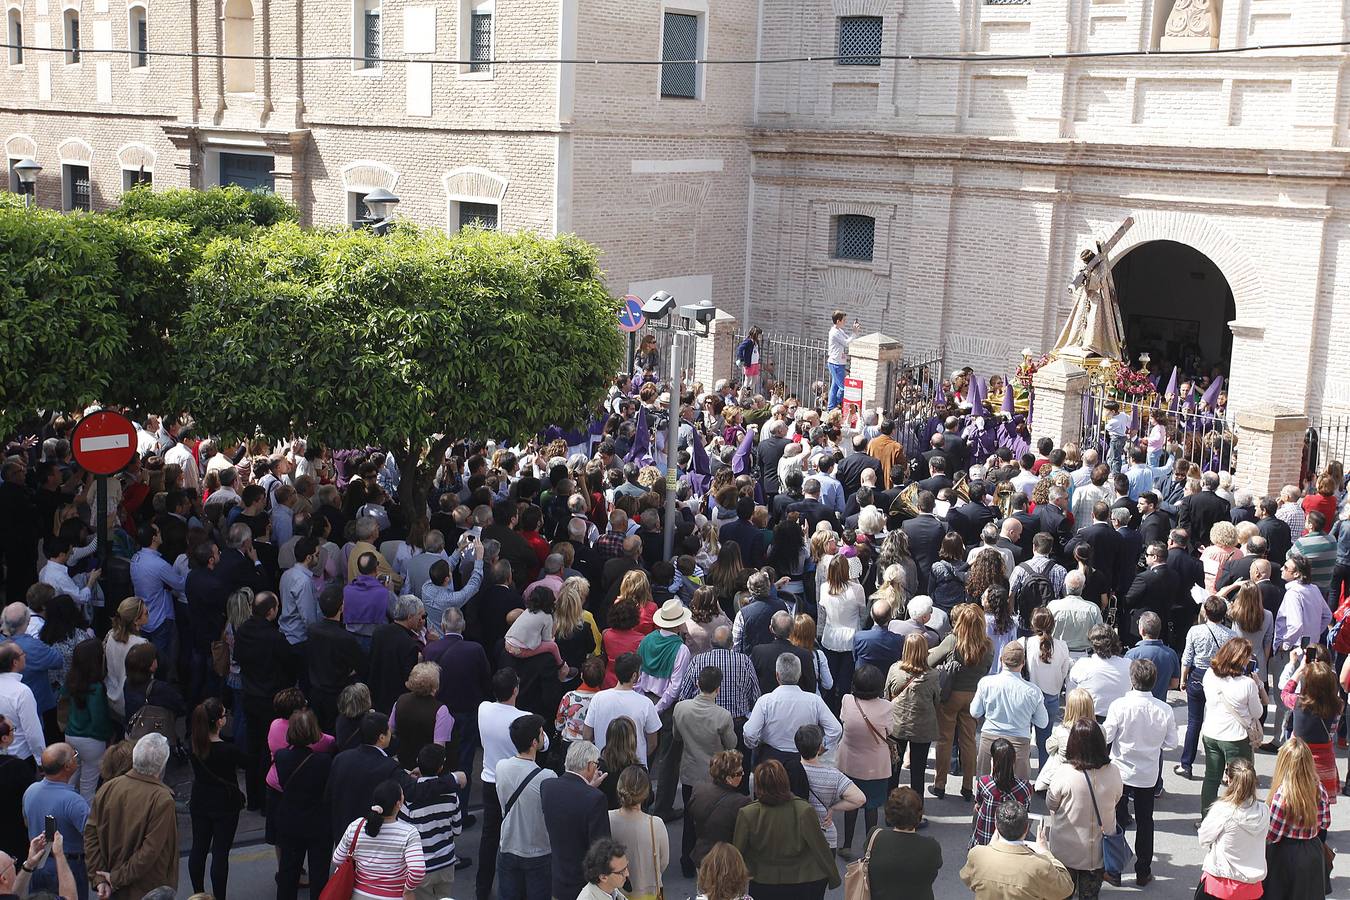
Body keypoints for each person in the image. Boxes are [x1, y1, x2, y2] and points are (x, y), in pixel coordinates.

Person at [1099, 659, 1177, 886]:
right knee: (1145, 821)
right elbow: (1172, 742)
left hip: (1120, 772)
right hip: (1147, 774)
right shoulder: (1164, 709)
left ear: (1132, 680)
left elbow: (1107, 736)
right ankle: (1143, 870)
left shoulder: (1119, 706)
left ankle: (1114, 869)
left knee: (1115, 820)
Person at [85, 733, 180, 899]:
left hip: (114, 886)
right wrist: (116, 878)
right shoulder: (162, 799)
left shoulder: (108, 788)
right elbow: (150, 851)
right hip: (148, 890)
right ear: (162, 765)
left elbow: (91, 834)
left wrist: (100, 878)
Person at [732, 759, 840, 900]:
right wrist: (833, 876)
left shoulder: (748, 813)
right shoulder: (803, 810)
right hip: (799, 880)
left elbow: (737, 852)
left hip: (762, 880)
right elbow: (819, 847)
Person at [673, 666, 737, 874]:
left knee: (689, 821)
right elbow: (731, 743)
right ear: (718, 688)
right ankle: (714, 864)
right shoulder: (723, 715)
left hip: (690, 774)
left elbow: (676, 737)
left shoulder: (680, 708)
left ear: (697, 684)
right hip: (714, 777)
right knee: (715, 823)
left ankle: (686, 861)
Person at [927, 603, 993, 801]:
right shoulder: (987, 644)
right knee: (969, 740)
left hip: (951, 695)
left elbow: (930, 663)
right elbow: (987, 667)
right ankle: (967, 787)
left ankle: (940, 784)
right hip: (973, 695)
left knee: (945, 739)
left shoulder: (952, 641)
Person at [743, 653, 841, 777]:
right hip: (803, 759)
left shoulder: (765, 701)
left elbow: (750, 733)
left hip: (772, 761)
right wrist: (822, 747)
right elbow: (836, 729)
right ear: (799, 675)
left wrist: (755, 745)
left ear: (777, 676)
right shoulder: (814, 701)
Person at [274, 709, 336, 900]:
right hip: (318, 824)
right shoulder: (324, 762)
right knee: (319, 875)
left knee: (288, 874)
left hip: (290, 821)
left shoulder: (281, 757)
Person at [187, 698, 246, 898]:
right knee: (220, 853)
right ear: (218, 722)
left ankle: (198, 894)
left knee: (198, 848)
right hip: (225, 803)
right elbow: (247, 763)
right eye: (223, 714)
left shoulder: (194, 746)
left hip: (200, 800)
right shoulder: (229, 750)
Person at [959, 799, 1075, 900]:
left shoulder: (977, 854)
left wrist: (990, 847)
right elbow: (1066, 888)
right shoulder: (1040, 866)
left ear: (997, 826)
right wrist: (1045, 852)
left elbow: (968, 879)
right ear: (1026, 829)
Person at [331, 779, 426, 900]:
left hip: (359, 895)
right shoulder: (409, 833)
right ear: (398, 804)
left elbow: (337, 859)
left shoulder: (356, 826)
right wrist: (407, 891)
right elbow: (417, 871)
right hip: (394, 896)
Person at [1198, 638, 1263, 816]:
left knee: (1211, 778)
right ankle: (1238, 817)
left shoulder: (1209, 675)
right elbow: (1257, 713)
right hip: (1236, 737)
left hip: (1211, 733)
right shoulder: (1247, 684)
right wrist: (1258, 686)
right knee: (1240, 780)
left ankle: (1207, 818)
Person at [541, 740, 610, 899]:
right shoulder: (596, 799)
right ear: (590, 766)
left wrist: (588, 789)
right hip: (583, 886)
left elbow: (571, 803)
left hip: (558, 881)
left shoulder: (547, 787)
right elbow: (601, 848)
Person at [1265, 738, 1332, 900]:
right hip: (1312, 850)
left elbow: (1273, 834)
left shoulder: (1282, 795)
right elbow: (1325, 822)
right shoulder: (1319, 788)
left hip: (1284, 855)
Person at [21, 743, 89, 899]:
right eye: (75, 756)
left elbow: (27, 821)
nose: (77, 759)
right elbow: (92, 837)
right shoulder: (74, 801)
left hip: (38, 863)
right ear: (67, 766)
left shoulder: (31, 790)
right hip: (67, 867)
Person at [970, 643, 1047, 780]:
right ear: (1023, 663)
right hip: (1019, 740)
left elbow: (975, 712)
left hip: (990, 738)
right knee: (1019, 787)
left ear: (1001, 659)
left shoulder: (986, 683)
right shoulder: (1033, 691)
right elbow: (1042, 722)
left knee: (985, 783)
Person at [836, 663, 892, 850]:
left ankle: (847, 844)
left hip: (849, 762)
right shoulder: (886, 707)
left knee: (851, 803)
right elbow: (889, 731)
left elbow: (843, 719)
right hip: (876, 766)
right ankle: (870, 847)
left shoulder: (847, 700)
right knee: (872, 806)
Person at [400, 743, 467, 900]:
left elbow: (404, 833)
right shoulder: (451, 795)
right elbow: (457, 830)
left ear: (418, 763)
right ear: (441, 767)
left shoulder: (409, 799)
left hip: (421, 867)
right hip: (446, 862)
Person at [1196, 758, 1268, 900]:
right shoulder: (1264, 811)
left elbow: (1203, 838)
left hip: (1220, 886)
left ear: (1229, 780)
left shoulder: (1222, 810)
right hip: (1252, 890)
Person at [884, 632, 941, 802]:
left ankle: (891, 806)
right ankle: (916, 811)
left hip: (897, 725)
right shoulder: (932, 675)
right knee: (918, 772)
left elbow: (886, 694)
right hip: (922, 728)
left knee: (894, 769)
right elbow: (937, 700)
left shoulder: (895, 669)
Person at [1012, 608, 1071, 767]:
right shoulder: (1062, 646)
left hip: (1027, 697)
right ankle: (1043, 781)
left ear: (1032, 624)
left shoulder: (1023, 643)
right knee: (1045, 742)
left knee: (1022, 740)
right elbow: (1064, 672)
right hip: (1051, 698)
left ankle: (1021, 775)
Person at [863, 786, 942, 900]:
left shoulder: (875, 837)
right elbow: (933, 872)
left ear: (888, 813)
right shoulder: (931, 847)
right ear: (919, 815)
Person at [795, 723, 864, 853]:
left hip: (797, 835)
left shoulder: (790, 771)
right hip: (825, 835)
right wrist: (833, 807)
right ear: (820, 747)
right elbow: (859, 799)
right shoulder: (834, 775)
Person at [61, 637, 113, 800]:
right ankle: (86, 821)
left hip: (70, 735)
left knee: (69, 780)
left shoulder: (70, 682)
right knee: (88, 787)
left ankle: (64, 812)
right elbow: (99, 720)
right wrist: (108, 736)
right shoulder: (96, 688)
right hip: (92, 741)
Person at [607, 766, 668, 900]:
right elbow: (663, 862)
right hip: (649, 892)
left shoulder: (607, 819)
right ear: (646, 793)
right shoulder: (656, 824)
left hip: (618, 892)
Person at [687, 750, 751, 870]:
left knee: (703, 888)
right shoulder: (741, 802)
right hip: (727, 860)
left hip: (701, 855)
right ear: (728, 778)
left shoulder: (699, 789)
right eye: (740, 773)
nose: (743, 775)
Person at [1290, 660, 1341, 800]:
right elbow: (1332, 731)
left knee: (1296, 799)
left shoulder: (1296, 701)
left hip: (1299, 757)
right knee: (1321, 803)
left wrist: (1299, 670)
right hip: (1325, 760)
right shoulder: (1338, 705)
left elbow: (1285, 691)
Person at [969, 738, 1031, 848]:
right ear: (1013, 761)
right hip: (1012, 842)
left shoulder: (985, 783)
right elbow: (1026, 811)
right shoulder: (1024, 787)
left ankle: (974, 837)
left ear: (993, 760)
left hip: (985, 839)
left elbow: (978, 803)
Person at [1066, 625, 1130, 720]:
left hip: (1089, 720)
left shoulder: (1083, 664)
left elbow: (1071, 684)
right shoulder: (1128, 664)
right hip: (1120, 719)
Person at [102, 597, 149, 723]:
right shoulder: (141, 644)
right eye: (146, 613)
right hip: (130, 702)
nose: (148, 613)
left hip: (111, 695)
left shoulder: (110, 635)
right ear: (136, 620)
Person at [826, 310, 859, 410]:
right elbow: (846, 343)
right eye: (844, 320)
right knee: (842, 387)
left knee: (835, 386)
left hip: (839, 362)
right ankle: (838, 405)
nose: (845, 322)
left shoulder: (839, 331)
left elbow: (848, 339)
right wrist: (854, 332)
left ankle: (831, 407)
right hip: (835, 363)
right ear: (838, 321)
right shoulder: (834, 332)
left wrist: (854, 333)